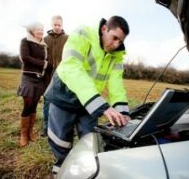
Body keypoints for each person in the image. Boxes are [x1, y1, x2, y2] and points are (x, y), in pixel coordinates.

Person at [44, 16, 131, 176]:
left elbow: (116, 83)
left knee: (92, 142)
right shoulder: (83, 33)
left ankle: (87, 173)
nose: (116, 44)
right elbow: (72, 67)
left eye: (121, 41)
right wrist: (101, 106)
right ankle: (60, 172)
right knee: (61, 141)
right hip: (65, 94)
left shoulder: (117, 54)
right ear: (104, 29)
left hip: (90, 101)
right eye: (115, 38)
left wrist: (123, 113)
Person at [17, 22, 52, 146]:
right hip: (28, 77)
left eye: (42, 29)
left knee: (34, 105)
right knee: (28, 104)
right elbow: (25, 57)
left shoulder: (44, 45)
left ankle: (30, 133)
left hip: (40, 79)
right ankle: (23, 134)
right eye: (38, 29)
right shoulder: (25, 41)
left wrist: (48, 67)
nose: (41, 31)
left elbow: (47, 61)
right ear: (32, 30)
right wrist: (44, 64)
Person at [42, 15, 68, 136]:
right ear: (51, 25)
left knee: (64, 102)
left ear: (62, 25)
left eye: (59, 25)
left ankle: (62, 128)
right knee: (47, 101)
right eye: (55, 25)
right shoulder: (45, 39)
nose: (57, 27)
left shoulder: (68, 38)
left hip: (63, 75)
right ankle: (46, 127)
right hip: (48, 76)